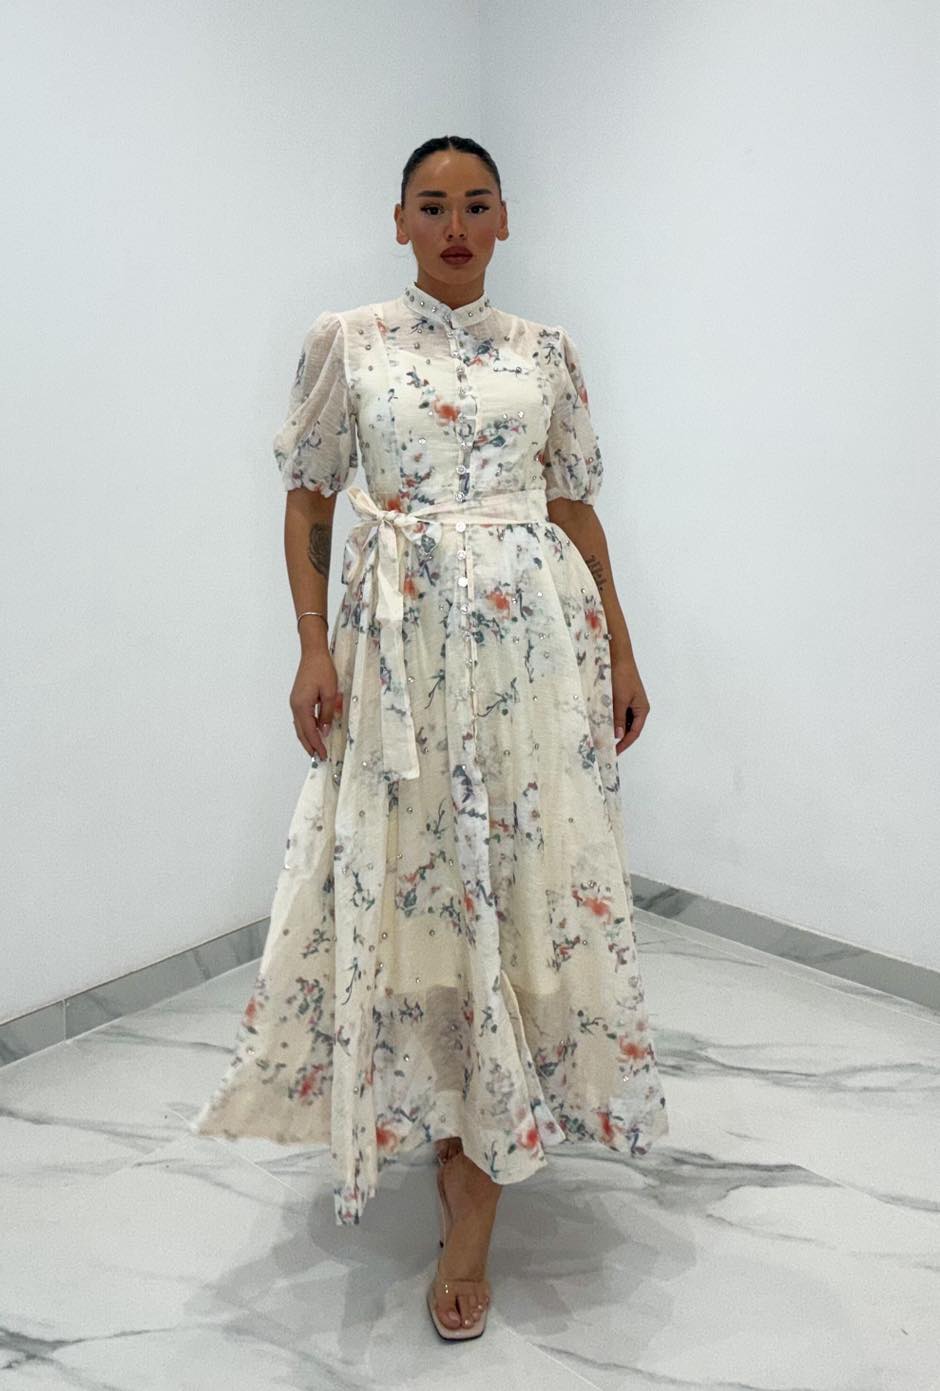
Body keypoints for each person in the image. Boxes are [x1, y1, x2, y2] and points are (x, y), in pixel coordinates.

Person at [191, 135, 669, 1340]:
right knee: (416, 878)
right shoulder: (348, 341)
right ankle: (446, 1100)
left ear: (505, 220)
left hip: (532, 649)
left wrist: (621, 646)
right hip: (396, 648)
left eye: (476, 204)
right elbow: (308, 494)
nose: (455, 225)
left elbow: (573, 505)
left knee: (517, 874)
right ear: (399, 220)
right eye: (432, 205)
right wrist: (310, 646)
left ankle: (480, 1167)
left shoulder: (547, 351)